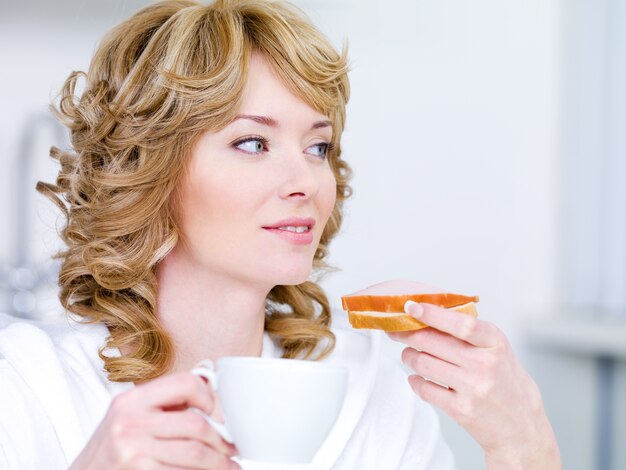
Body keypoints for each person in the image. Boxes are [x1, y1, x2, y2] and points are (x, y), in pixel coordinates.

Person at [0, 0, 561, 468]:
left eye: (318, 147)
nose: (305, 182)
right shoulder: (31, 389)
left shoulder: (368, 387)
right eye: (253, 143)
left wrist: (523, 438)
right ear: (149, 171)